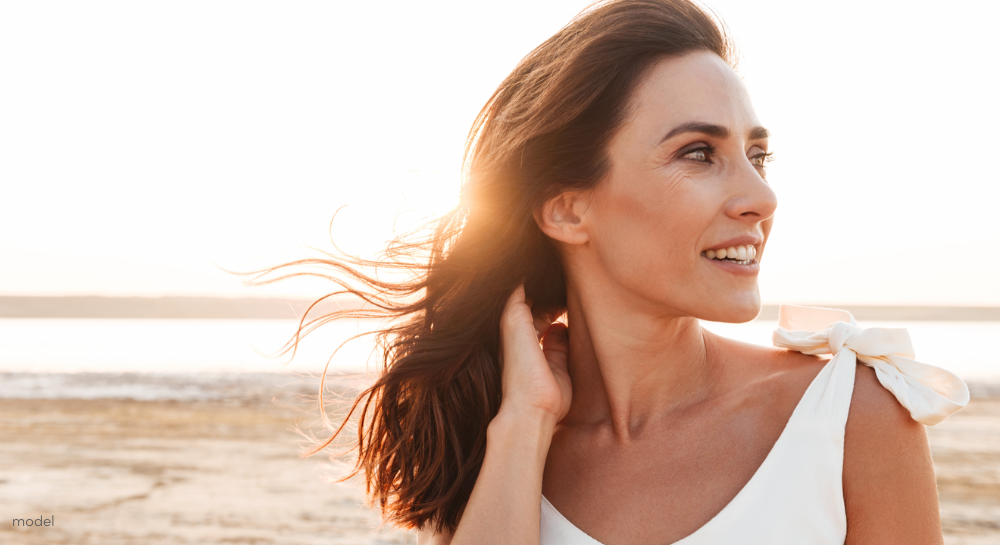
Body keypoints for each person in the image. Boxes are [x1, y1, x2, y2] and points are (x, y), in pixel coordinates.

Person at [259, 0, 969, 543]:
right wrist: (523, 426)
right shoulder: (496, 441)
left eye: (758, 155)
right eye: (698, 153)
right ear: (567, 209)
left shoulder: (851, 412)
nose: (760, 197)